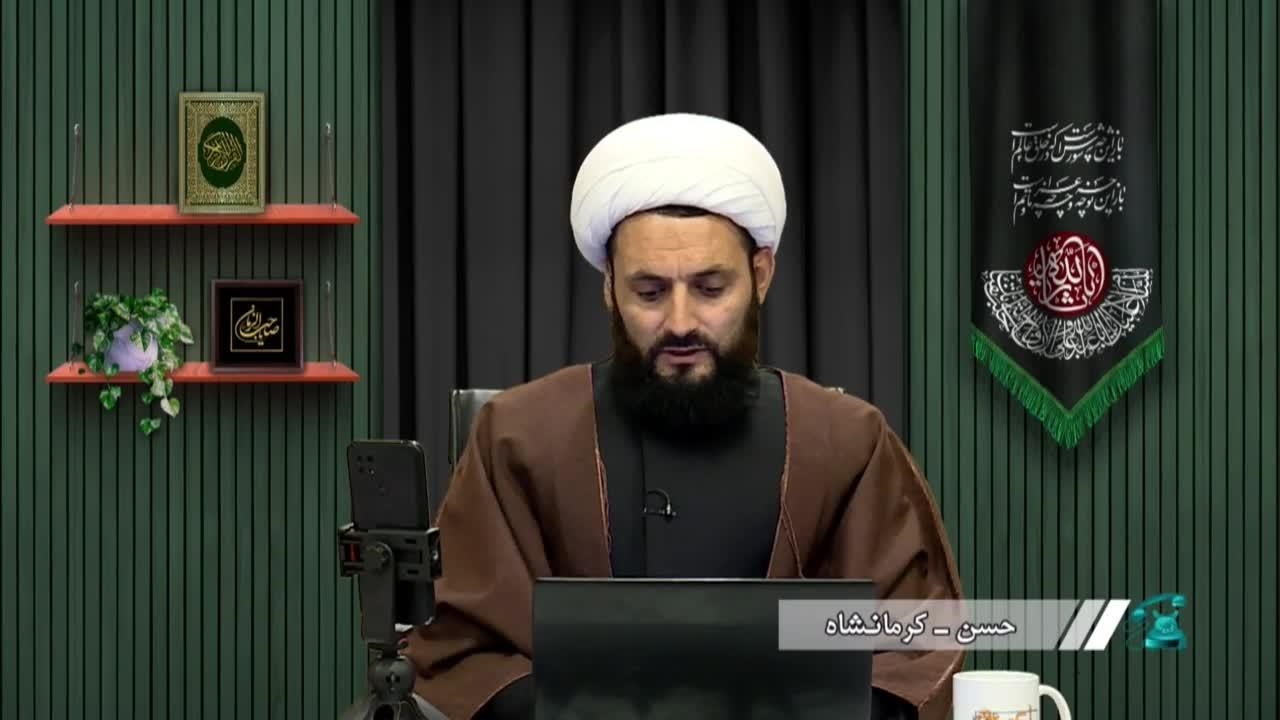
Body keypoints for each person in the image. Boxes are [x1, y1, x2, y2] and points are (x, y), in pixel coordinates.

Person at [402, 113, 964, 720]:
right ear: (609, 287)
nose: (679, 322)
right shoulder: (518, 438)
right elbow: (459, 651)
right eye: (649, 292)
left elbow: (914, 648)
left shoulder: (849, 442)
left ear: (761, 276)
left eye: (710, 288)